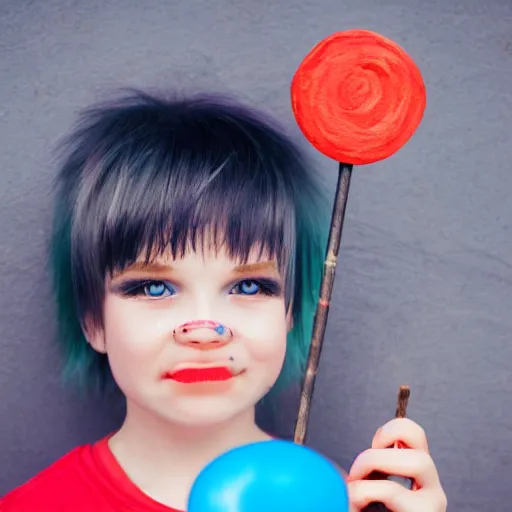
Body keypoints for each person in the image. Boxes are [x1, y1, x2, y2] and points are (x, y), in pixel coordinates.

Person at [0, 91, 447, 511]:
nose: (206, 329)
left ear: (289, 311)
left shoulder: (346, 501)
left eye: (248, 286)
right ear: (93, 319)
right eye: (155, 288)